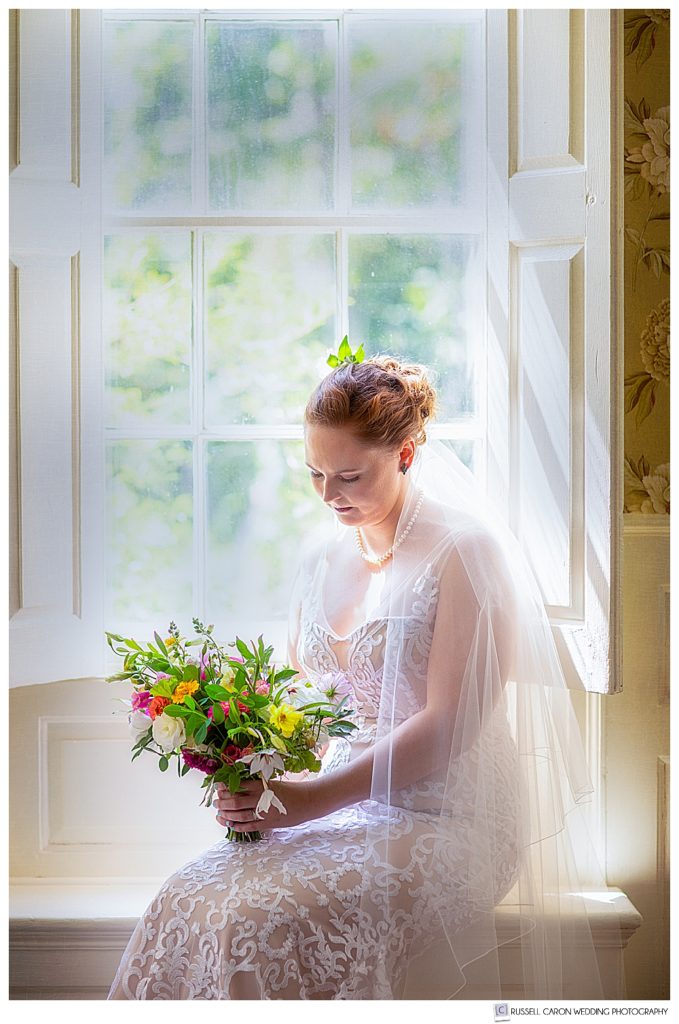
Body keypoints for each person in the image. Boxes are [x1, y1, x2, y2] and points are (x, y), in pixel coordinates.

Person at [108, 351, 625, 1000]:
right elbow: (300, 702)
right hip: (340, 807)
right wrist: (262, 778)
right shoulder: (320, 555)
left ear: (405, 455)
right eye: (316, 473)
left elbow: (448, 727)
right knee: (190, 896)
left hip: (450, 818)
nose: (328, 495)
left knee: (258, 925)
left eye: (348, 475)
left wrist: (308, 803)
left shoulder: (464, 551)